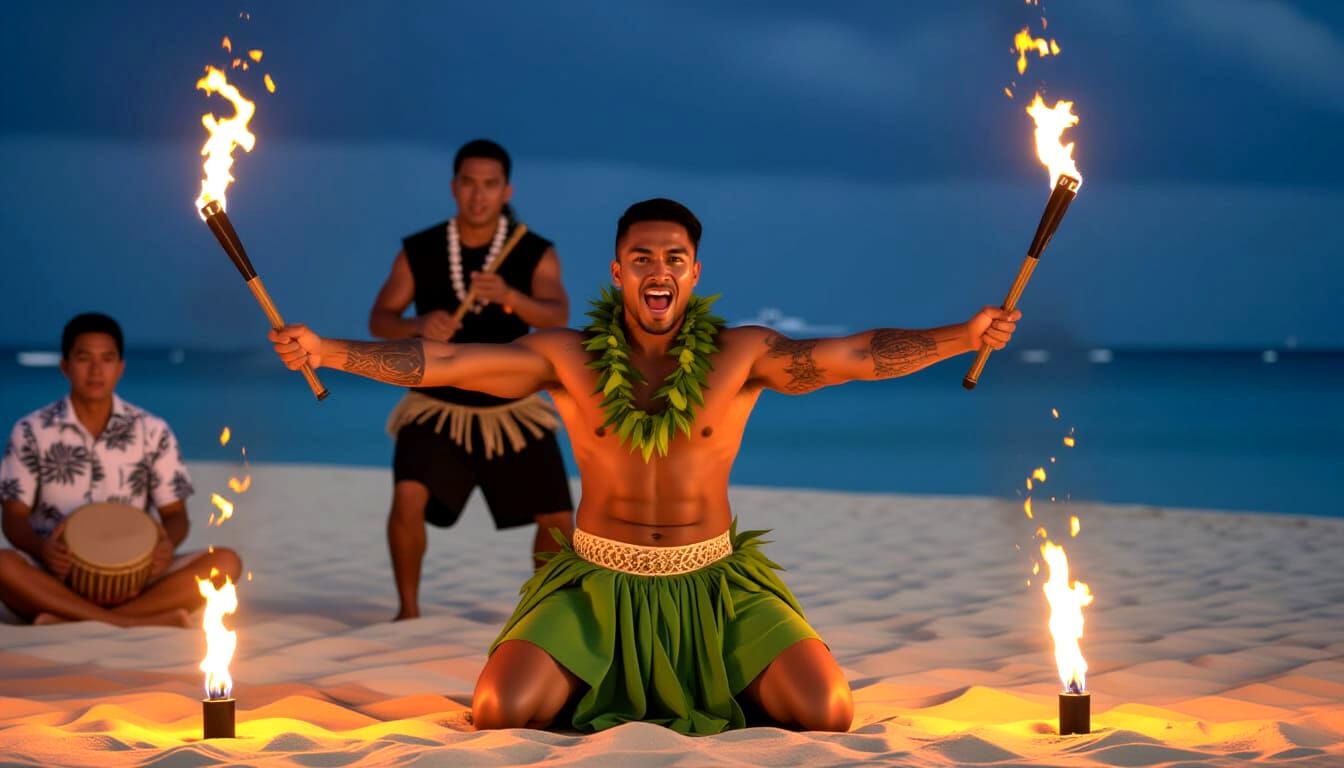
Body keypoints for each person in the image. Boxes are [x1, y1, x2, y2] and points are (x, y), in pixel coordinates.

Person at [269, 198, 1021, 733]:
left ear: (693, 273)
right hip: (596, 581)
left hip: (717, 583)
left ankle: (713, 676)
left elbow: (856, 355)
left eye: (674, 259)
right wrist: (329, 351)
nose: (657, 271)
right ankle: (602, 673)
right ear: (619, 273)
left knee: (829, 711)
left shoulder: (743, 353)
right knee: (499, 710)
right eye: (641, 259)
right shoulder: (563, 357)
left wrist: (965, 333)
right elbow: (451, 362)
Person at [367, 139, 574, 621]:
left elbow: (557, 316)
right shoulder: (420, 250)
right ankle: (408, 612)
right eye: (468, 183)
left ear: (506, 190)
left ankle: (545, 613)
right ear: (454, 187)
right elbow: (381, 319)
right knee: (408, 495)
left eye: (490, 185)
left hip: (514, 407)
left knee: (558, 518)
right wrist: (418, 325)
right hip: (436, 403)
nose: (478, 195)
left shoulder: (533, 251)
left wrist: (511, 298)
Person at [0, 313, 242, 627]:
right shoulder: (31, 430)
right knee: (2, 565)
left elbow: (175, 515)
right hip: (55, 573)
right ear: (65, 366)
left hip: (136, 579)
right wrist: (43, 550)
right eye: (84, 358)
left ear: (120, 367)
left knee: (225, 562)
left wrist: (163, 549)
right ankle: (134, 620)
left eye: (107, 359)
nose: (96, 370)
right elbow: (14, 517)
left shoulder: (152, 431)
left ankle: (72, 617)